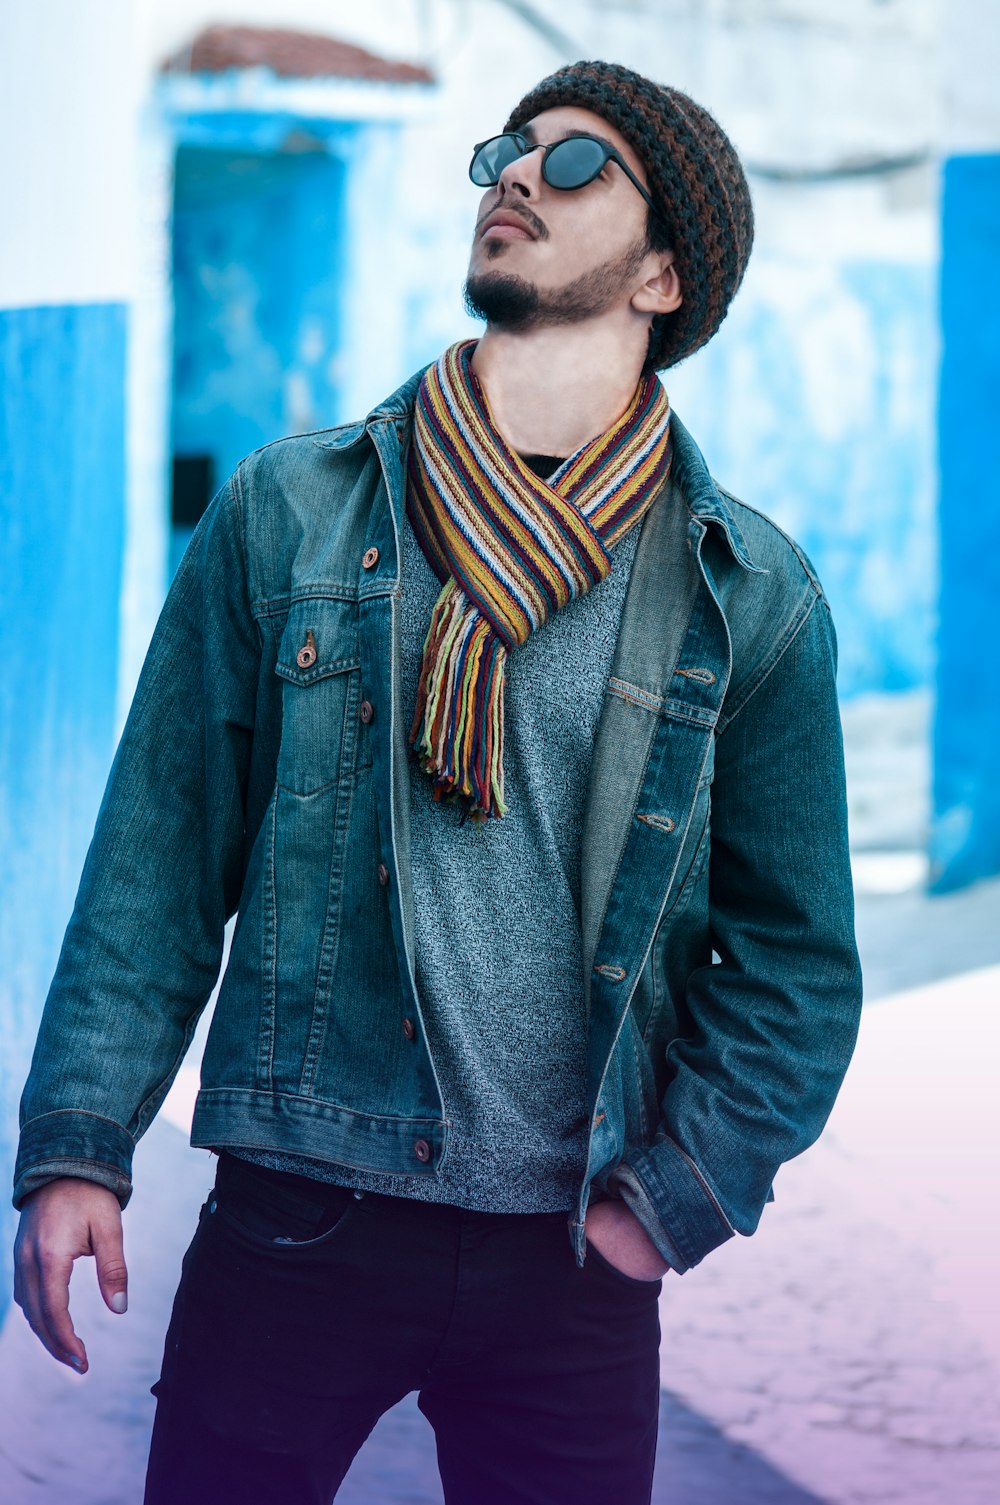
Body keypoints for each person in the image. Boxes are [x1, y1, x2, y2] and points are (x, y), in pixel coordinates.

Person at [12, 59, 862, 1505]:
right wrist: (79, 1144)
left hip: (572, 1251)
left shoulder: (746, 593)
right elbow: (160, 860)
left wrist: (662, 1209)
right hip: (301, 1209)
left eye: (576, 162)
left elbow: (794, 962)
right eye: (506, 153)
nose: (517, 176)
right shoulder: (290, 510)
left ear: (664, 274)